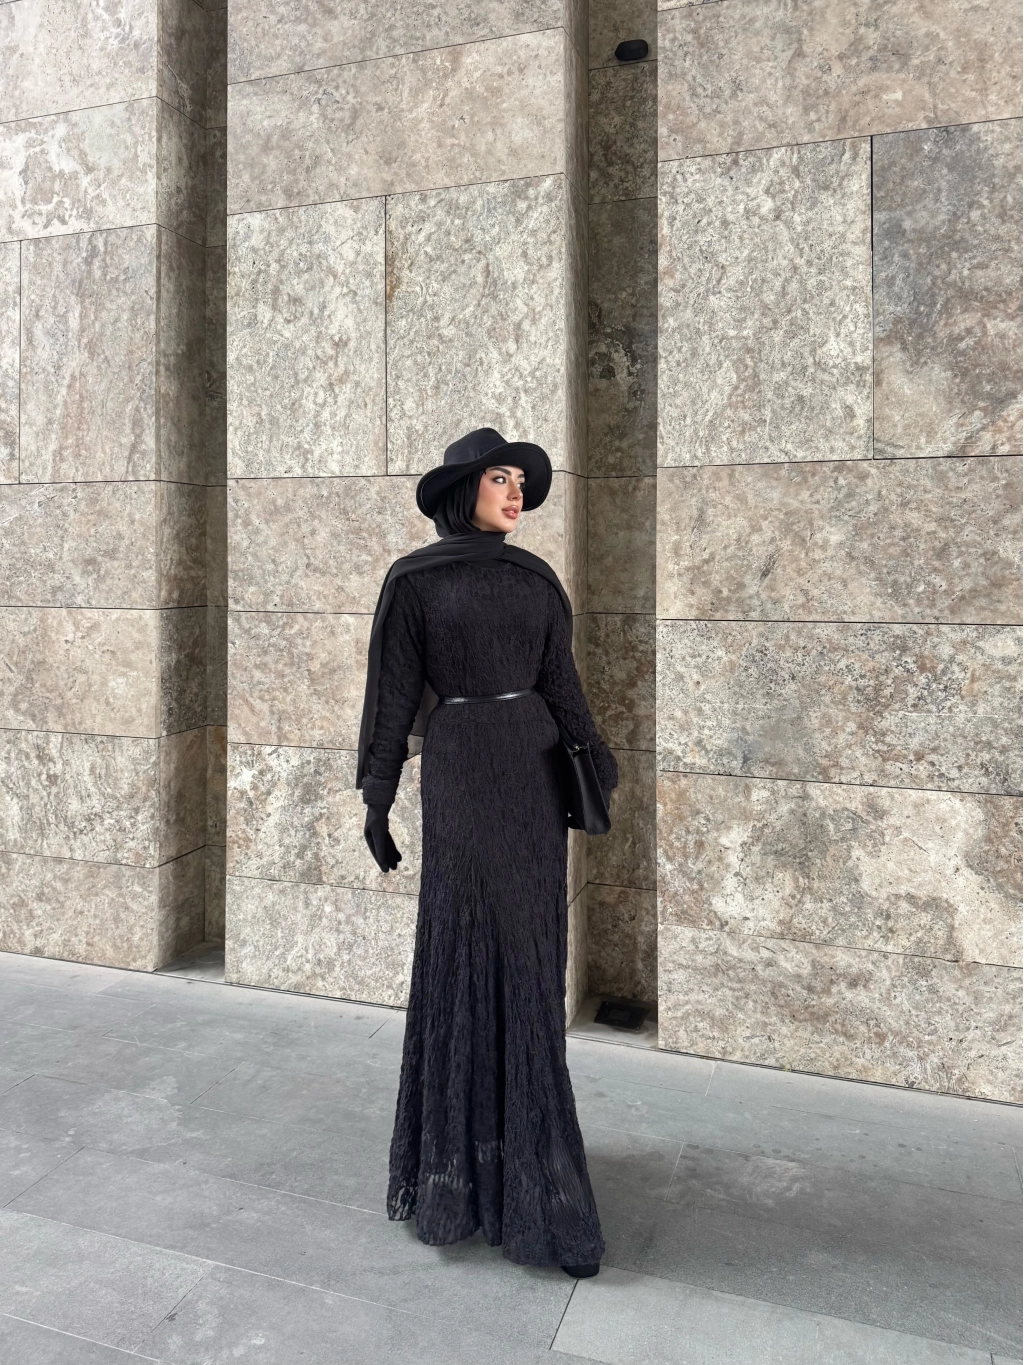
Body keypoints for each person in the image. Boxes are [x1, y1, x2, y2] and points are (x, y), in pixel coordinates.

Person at [356, 427, 619, 1277]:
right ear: (461, 491)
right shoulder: (415, 581)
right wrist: (377, 797)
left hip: (534, 778)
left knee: (531, 965)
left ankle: (543, 1186)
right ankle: (460, 1178)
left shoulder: (536, 579)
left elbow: (562, 684)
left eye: (519, 482)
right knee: (468, 951)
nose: (516, 493)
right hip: (464, 773)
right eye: (500, 479)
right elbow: (393, 697)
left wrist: (597, 765)